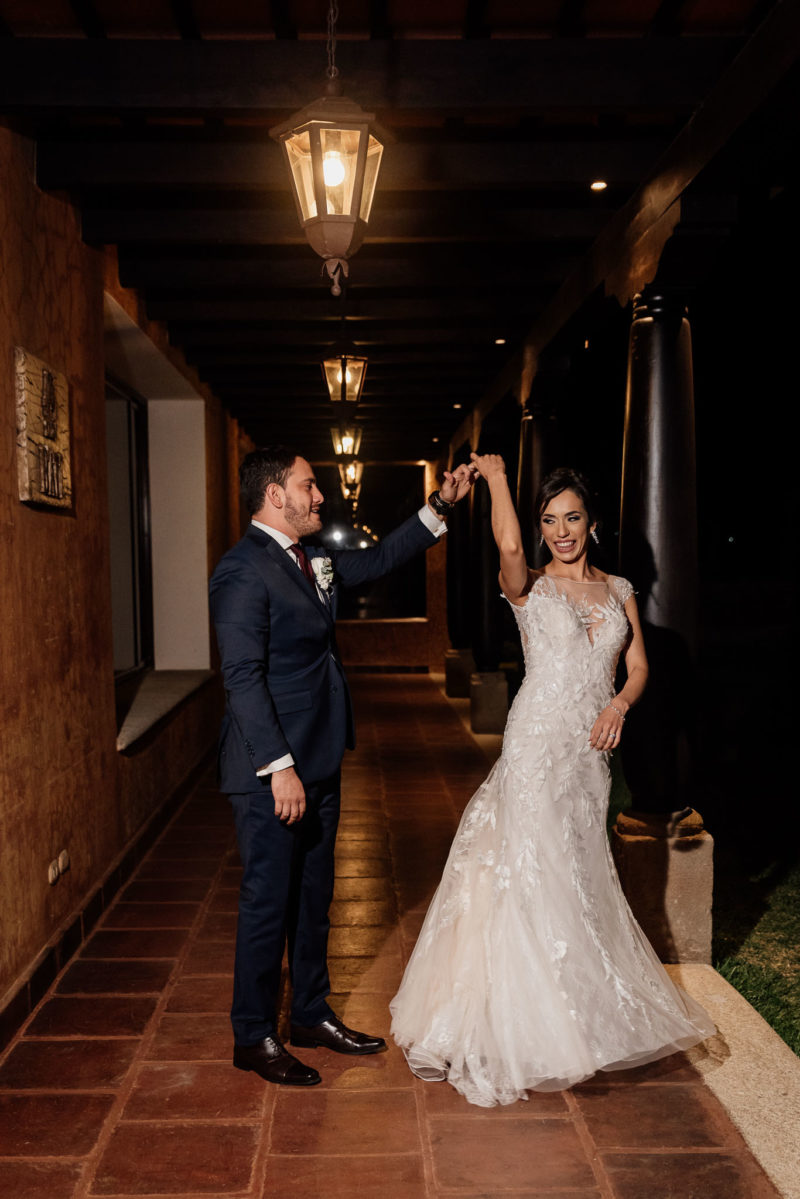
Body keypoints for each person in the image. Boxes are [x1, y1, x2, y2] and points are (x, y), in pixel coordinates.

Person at [390, 456, 715, 1106]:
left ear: (592, 523)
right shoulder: (531, 585)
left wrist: (619, 704)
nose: (560, 530)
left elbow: (641, 666)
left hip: (588, 755)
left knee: (576, 870)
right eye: (549, 520)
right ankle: (528, 1030)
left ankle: (572, 1012)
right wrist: (500, 480)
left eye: (571, 518)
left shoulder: (620, 588)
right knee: (532, 870)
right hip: (537, 743)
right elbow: (507, 543)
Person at [210, 445, 475, 1087]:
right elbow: (242, 676)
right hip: (271, 771)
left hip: (320, 756)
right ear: (276, 494)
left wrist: (440, 505)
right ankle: (253, 1036)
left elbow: (382, 558)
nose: (319, 496)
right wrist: (279, 768)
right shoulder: (242, 570)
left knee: (314, 896)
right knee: (267, 902)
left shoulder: (313, 560)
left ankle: (308, 1014)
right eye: (309, 486)